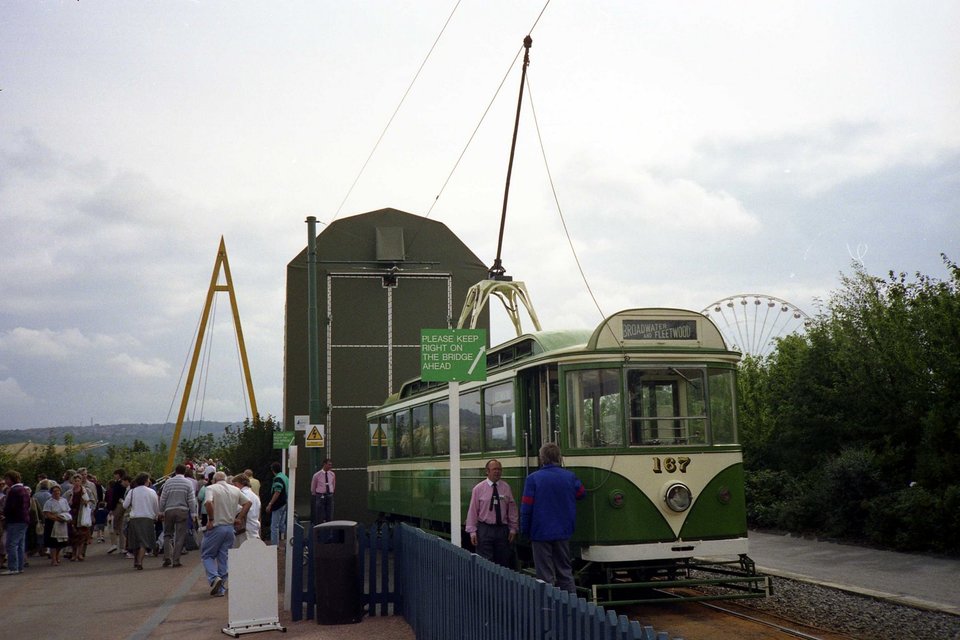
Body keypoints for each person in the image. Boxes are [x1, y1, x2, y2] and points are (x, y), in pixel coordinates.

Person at [519, 443, 586, 594]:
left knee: (544, 574)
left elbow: (526, 508)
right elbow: (582, 494)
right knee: (565, 571)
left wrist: (525, 530)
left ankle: (548, 607)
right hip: (563, 531)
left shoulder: (533, 479)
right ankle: (570, 605)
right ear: (559, 457)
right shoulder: (570, 477)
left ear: (542, 458)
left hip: (540, 532)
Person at [201, 471, 251, 596]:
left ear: (214, 480)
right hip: (230, 528)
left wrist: (211, 519)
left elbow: (208, 502)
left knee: (207, 555)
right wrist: (239, 518)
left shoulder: (210, 488)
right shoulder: (234, 489)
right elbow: (248, 503)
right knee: (223, 557)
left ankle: (214, 577)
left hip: (216, 527)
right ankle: (221, 588)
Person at [465, 459, 518, 567]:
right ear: (487, 471)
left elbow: (512, 509)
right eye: (494, 469)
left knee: (503, 562)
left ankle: (501, 583)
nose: (497, 472)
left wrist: (513, 528)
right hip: (485, 530)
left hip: (502, 530)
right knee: (485, 562)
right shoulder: (478, 489)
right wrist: (472, 531)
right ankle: (486, 583)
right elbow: (473, 511)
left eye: (499, 469)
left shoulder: (506, 488)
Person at [159, 464, 198, 567]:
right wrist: (193, 513)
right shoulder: (188, 483)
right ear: (184, 471)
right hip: (182, 510)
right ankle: (176, 560)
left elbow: (163, 498)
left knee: (167, 534)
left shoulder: (168, 482)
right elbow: (191, 499)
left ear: (175, 471)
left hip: (169, 510)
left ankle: (167, 557)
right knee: (180, 536)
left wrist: (161, 511)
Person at [122, 472, 160, 570]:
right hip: (147, 518)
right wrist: (156, 515)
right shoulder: (152, 492)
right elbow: (156, 506)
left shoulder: (132, 491)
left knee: (134, 541)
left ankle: (136, 560)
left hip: (134, 518)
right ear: (145, 481)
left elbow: (125, 505)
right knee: (144, 541)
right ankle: (140, 561)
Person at [1, 470, 31, 575]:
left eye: (7, 479)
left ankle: (13, 567)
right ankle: (19, 566)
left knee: (11, 544)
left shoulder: (13, 491)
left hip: (15, 520)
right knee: (20, 544)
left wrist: (4, 513)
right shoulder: (23, 490)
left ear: (11, 479)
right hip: (24, 519)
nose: (6, 481)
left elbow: (11, 507)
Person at [64, 473, 95, 562]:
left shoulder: (87, 491)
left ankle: (80, 554)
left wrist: (88, 504)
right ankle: (73, 554)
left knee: (82, 535)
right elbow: (63, 502)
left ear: (81, 481)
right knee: (73, 535)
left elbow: (93, 501)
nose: (77, 482)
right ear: (72, 482)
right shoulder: (69, 493)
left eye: (78, 481)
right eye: (75, 481)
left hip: (83, 515)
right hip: (72, 514)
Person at [41, 484, 71, 566]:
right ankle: (53, 559)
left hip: (62, 523)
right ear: (51, 493)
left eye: (58, 491)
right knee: (53, 542)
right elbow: (47, 513)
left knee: (62, 542)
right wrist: (57, 518)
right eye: (54, 491)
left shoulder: (63, 500)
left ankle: (57, 555)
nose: (57, 492)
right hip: (52, 523)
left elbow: (67, 510)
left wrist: (66, 518)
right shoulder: (49, 502)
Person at [231, 474, 261, 547]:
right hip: (254, 527)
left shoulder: (243, 494)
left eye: (235, 485)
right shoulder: (255, 496)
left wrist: (237, 518)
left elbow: (237, 509)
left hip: (245, 529)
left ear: (240, 484)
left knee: (242, 552)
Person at [265, 462, 288, 546]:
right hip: (284, 503)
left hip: (278, 504)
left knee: (274, 526)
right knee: (282, 524)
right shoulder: (284, 477)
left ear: (272, 470)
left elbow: (277, 491)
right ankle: (286, 540)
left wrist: (270, 503)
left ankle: (275, 545)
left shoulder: (278, 478)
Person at [106, 469, 127, 553]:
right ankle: (122, 547)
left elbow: (114, 497)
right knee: (122, 526)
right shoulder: (126, 484)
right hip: (124, 505)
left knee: (112, 524)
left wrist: (111, 508)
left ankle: (114, 543)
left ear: (118, 475)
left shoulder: (118, 484)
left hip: (117, 505)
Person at [310, 458, 336, 525]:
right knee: (320, 514)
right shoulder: (317, 475)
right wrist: (315, 494)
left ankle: (329, 528)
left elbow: (333, 484)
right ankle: (320, 529)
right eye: (329, 464)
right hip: (320, 495)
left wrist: (331, 491)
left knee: (329, 513)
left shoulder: (332, 474)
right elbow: (313, 486)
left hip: (329, 495)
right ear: (324, 464)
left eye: (331, 465)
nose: (330, 466)